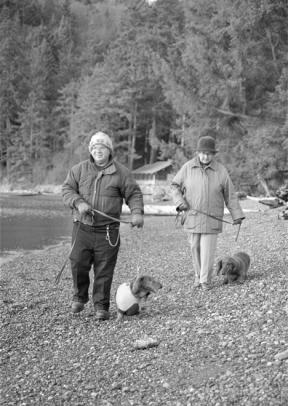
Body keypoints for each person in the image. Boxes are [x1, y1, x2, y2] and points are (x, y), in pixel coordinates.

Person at [62, 131, 144, 320]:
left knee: (104, 270)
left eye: (102, 147)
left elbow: (134, 194)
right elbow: (66, 189)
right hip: (82, 227)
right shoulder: (78, 170)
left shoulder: (122, 172)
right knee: (77, 263)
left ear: (109, 150)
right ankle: (79, 298)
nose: (98, 151)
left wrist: (137, 213)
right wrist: (78, 202)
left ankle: (101, 306)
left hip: (109, 232)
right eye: (95, 147)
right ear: (90, 150)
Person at [171, 133, 244, 291]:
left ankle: (205, 280)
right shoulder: (188, 167)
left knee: (207, 250)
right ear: (198, 152)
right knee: (195, 247)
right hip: (192, 216)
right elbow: (174, 186)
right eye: (203, 153)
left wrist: (237, 215)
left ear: (213, 154)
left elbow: (230, 194)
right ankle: (198, 276)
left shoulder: (221, 170)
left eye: (209, 153)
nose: (205, 156)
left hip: (212, 218)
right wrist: (180, 202)